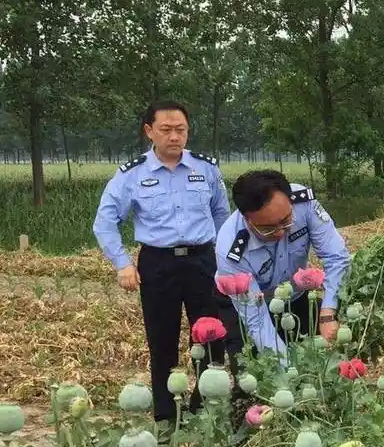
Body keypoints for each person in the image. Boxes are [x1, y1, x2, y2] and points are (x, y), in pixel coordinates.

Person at [92, 101, 231, 427]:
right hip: (157, 264)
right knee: (162, 340)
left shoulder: (206, 169)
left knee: (211, 336)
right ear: (149, 131)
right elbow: (105, 222)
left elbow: (222, 215)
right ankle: (167, 416)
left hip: (203, 261)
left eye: (180, 130)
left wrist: (226, 260)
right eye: (166, 130)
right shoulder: (132, 175)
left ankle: (205, 408)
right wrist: (123, 264)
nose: (174, 137)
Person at [214, 170, 351, 363]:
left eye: (286, 221)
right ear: (247, 219)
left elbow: (337, 257)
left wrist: (328, 312)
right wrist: (286, 374)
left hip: (294, 294)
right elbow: (258, 321)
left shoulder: (304, 203)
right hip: (246, 308)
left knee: (320, 359)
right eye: (268, 229)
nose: (280, 232)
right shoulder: (231, 249)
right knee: (257, 377)